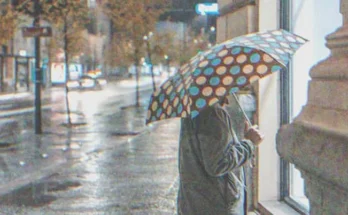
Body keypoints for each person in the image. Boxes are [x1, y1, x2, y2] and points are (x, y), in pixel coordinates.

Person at [177, 97, 264, 215]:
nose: (227, 101)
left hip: (193, 202)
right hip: (215, 205)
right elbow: (218, 163)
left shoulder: (193, 110)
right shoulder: (213, 113)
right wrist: (249, 143)